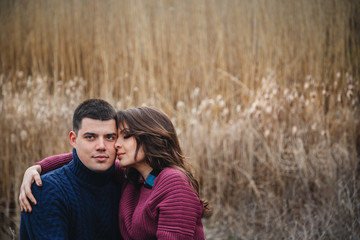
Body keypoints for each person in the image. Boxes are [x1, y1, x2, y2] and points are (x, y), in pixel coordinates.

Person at [20, 106, 209, 239]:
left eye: (125, 136)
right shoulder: (132, 178)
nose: (115, 144)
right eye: (116, 137)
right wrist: (37, 168)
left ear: (150, 138)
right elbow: (89, 159)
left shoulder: (172, 182)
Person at [20, 99, 121, 240]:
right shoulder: (46, 190)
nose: (101, 146)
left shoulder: (126, 182)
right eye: (90, 137)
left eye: (110, 137)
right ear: (74, 140)